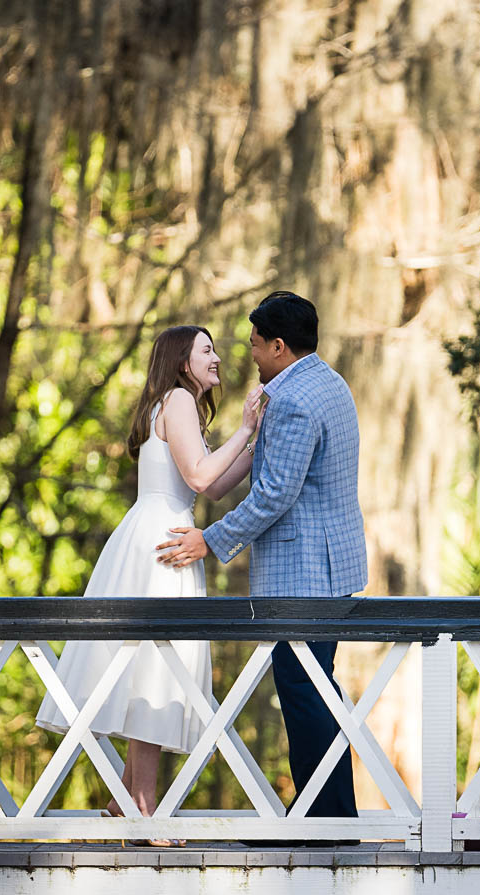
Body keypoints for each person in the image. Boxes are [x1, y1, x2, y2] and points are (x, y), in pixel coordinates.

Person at [36, 325, 267, 836]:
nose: (217, 358)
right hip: (164, 546)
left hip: (162, 533)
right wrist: (246, 428)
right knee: (157, 672)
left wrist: (256, 445)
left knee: (153, 668)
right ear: (183, 361)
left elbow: (212, 486)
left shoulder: (176, 403)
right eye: (206, 350)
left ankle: (127, 801)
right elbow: (202, 477)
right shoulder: (180, 400)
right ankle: (142, 811)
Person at [156, 292, 367, 839]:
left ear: (278, 345)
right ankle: (323, 816)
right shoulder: (329, 383)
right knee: (313, 689)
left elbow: (274, 495)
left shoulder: (292, 401)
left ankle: (327, 823)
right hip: (331, 565)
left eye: (254, 344)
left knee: (304, 691)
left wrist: (211, 540)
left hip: (306, 570)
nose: (248, 353)